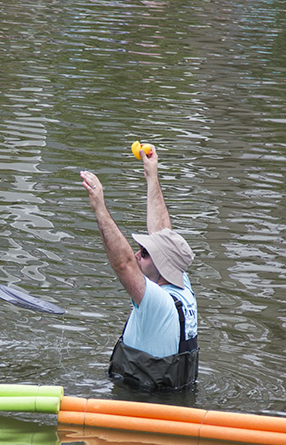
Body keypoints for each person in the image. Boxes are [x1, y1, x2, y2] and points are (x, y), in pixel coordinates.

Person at [80, 145, 198, 391]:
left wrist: (99, 209)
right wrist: (152, 175)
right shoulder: (182, 285)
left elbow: (123, 264)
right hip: (173, 396)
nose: (137, 255)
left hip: (143, 402)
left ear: (163, 265)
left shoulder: (158, 304)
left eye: (144, 253)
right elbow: (163, 233)